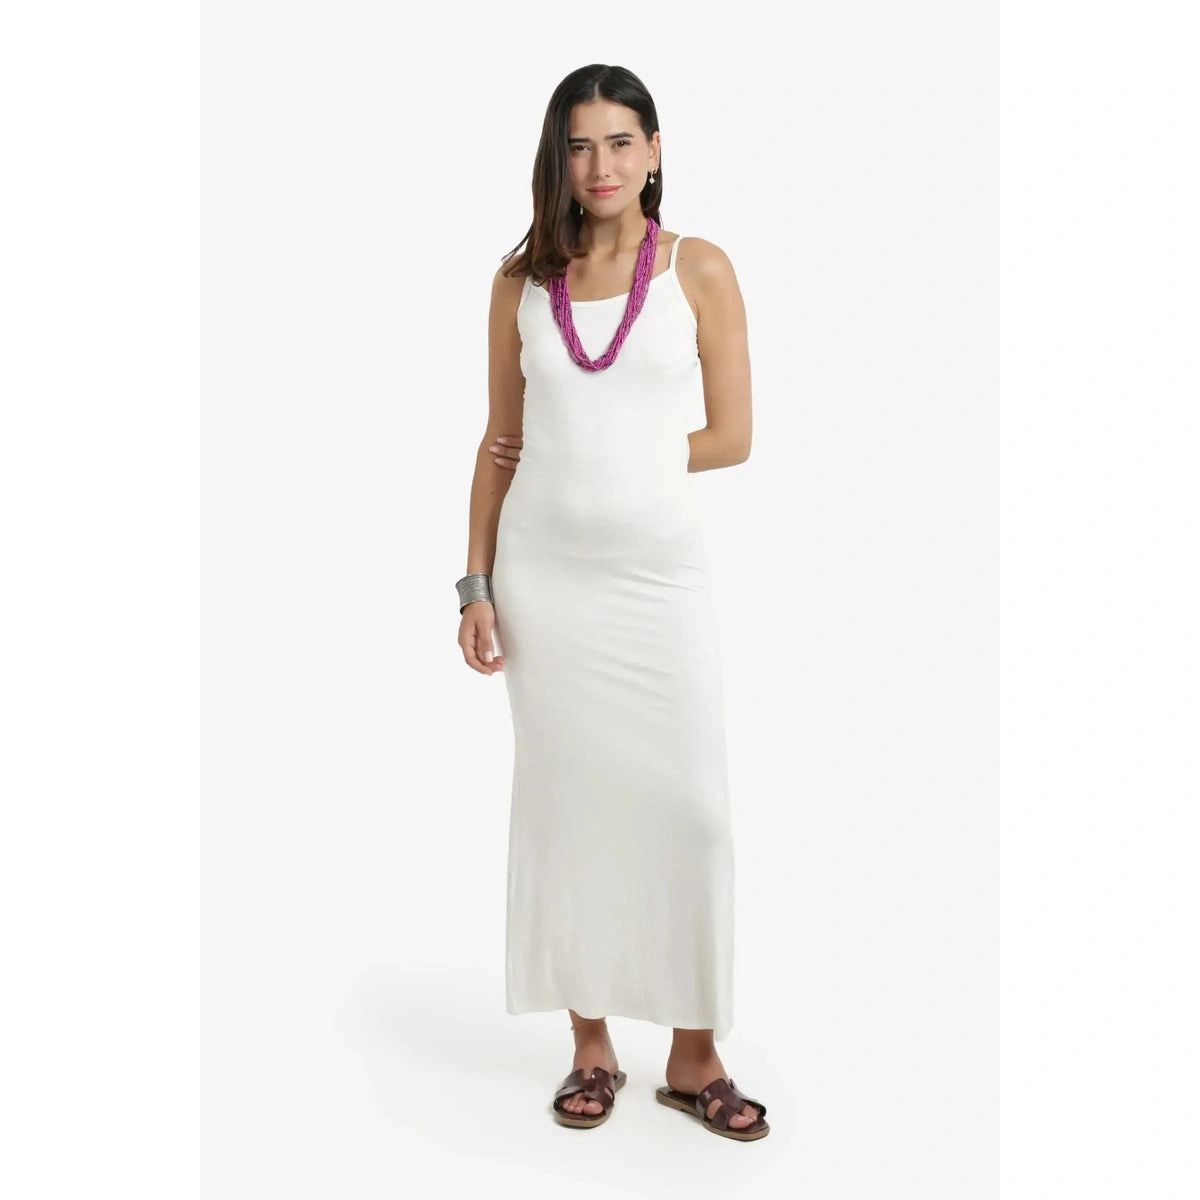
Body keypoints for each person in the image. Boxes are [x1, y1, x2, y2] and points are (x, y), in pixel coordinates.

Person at [455, 64, 768, 1141]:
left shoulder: (697, 267)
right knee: (569, 809)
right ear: (559, 157)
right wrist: (476, 584)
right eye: (580, 144)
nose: (600, 165)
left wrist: (618, 455)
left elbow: (732, 436)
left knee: (693, 812)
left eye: (621, 141)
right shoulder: (520, 281)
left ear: (656, 150)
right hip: (544, 581)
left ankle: (694, 1055)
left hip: (654, 577)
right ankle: (591, 1045)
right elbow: (500, 443)